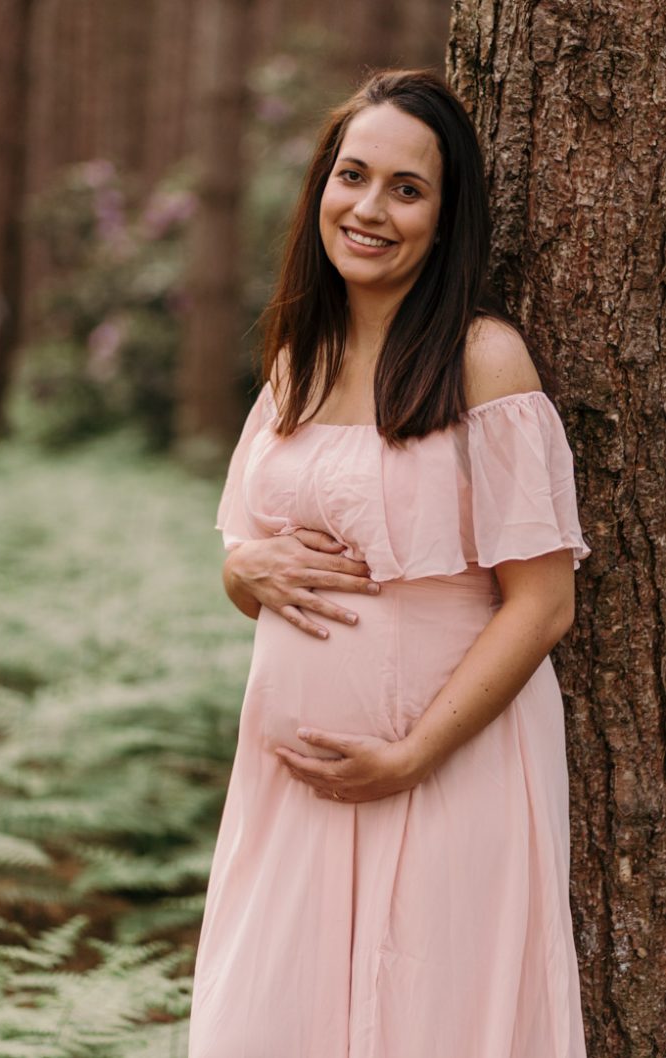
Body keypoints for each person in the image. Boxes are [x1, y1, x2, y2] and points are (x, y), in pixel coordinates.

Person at [188, 68, 590, 1058]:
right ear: (321, 185)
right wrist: (246, 576)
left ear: (447, 220)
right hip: (291, 792)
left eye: (406, 189)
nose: (369, 208)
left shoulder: (482, 361)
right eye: (352, 175)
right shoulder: (296, 358)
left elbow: (541, 606)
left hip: (448, 775)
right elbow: (245, 547)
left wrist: (409, 755)